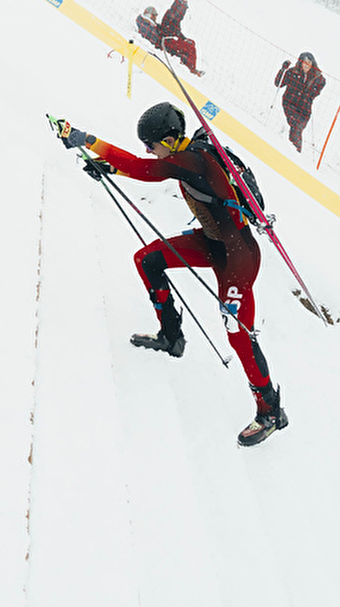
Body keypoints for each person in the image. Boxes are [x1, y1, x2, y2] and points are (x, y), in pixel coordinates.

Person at [52, 102, 287, 447]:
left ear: (171, 139)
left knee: (237, 330)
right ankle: (171, 337)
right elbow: (148, 167)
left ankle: (270, 411)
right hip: (213, 244)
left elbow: (143, 169)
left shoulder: (195, 159)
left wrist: (85, 139)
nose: (149, 151)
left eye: (151, 144)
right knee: (148, 260)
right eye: (147, 146)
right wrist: (109, 169)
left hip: (238, 257)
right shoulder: (187, 156)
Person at [134, 0, 203, 74]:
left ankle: (188, 67)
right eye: (154, 15)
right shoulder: (145, 24)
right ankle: (191, 69)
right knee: (188, 47)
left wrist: (183, 38)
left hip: (164, 39)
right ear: (149, 15)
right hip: (163, 42)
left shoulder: (150, 23)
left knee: (189, 43)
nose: (155, 18)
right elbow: (152, 37)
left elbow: (170, 29)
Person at [274, 51, 325, 152]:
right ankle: (296, 151)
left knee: (298, 128)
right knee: (296, 127)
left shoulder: (317, 78)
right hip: (290, 103)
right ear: (300, 62)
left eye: (309, 62)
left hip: (304, 110)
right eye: (304, 62)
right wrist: (283, 69)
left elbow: (316, 91)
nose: (307, 65)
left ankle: (293, 151)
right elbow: (278, 83)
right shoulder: (293, 72)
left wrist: (312, 84)